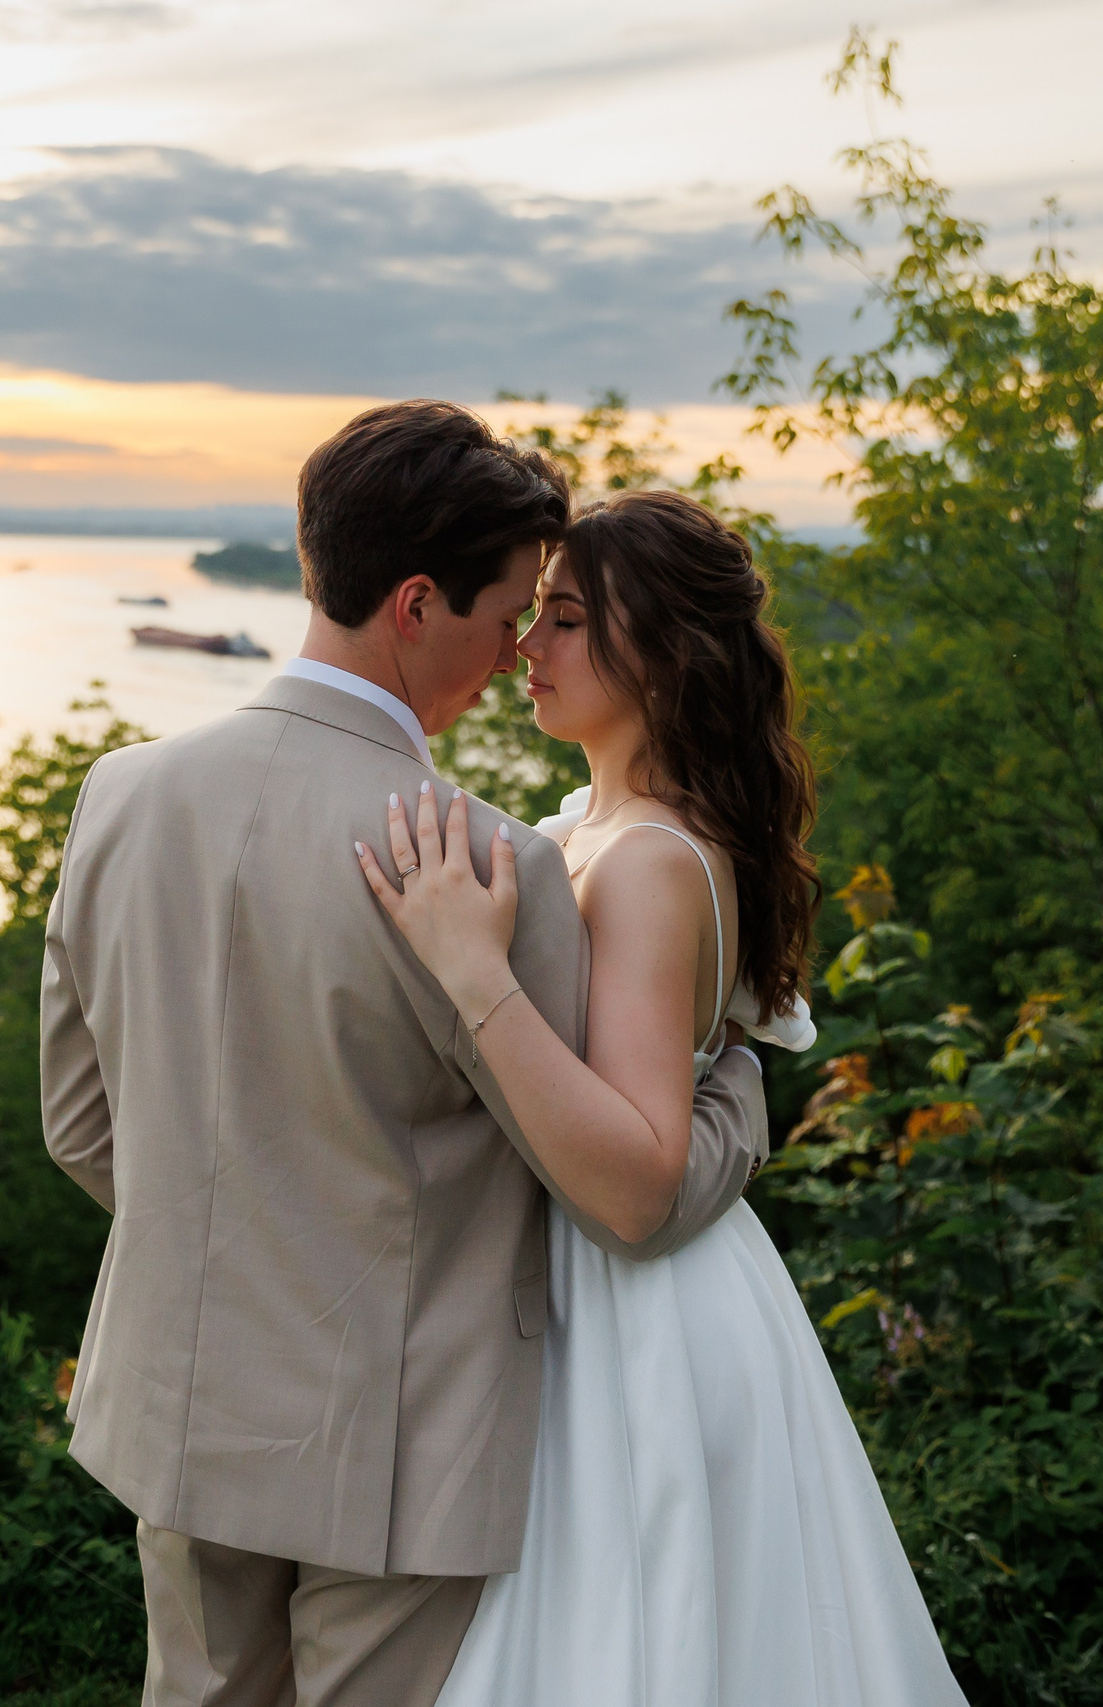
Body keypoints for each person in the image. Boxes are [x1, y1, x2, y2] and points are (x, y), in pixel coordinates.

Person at [38, 401, 774, 1707]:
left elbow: (84, 1126)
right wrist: (734, 1104)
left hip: (179, 1397)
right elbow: (598, 1185)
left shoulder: (123, 793)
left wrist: (247, 1247)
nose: (511, 654)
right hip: (395, 1437)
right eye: (507, 616)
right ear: (419, 603)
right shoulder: (490, 863)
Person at [356, 488, 969, 1705]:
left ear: (664, 651)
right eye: (534, 616)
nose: (529, 648)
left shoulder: (642, 863)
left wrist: (474, 975)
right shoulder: (595, 825)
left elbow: (637, 1187)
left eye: (569, 620)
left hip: (639, 1325)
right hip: (623, 1306)